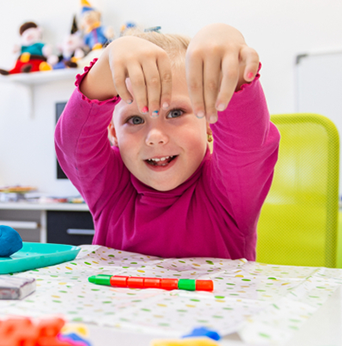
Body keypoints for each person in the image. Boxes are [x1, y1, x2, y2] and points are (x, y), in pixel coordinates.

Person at [55, 23, 280, 260]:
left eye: (175, 113)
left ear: (208, 123)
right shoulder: (111, 189)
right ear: (112, 132)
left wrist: (227, 51)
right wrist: (107, 61)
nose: (155, 137)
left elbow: (246, 143)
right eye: (134, 120)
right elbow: (73, 145)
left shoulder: (228, 194)